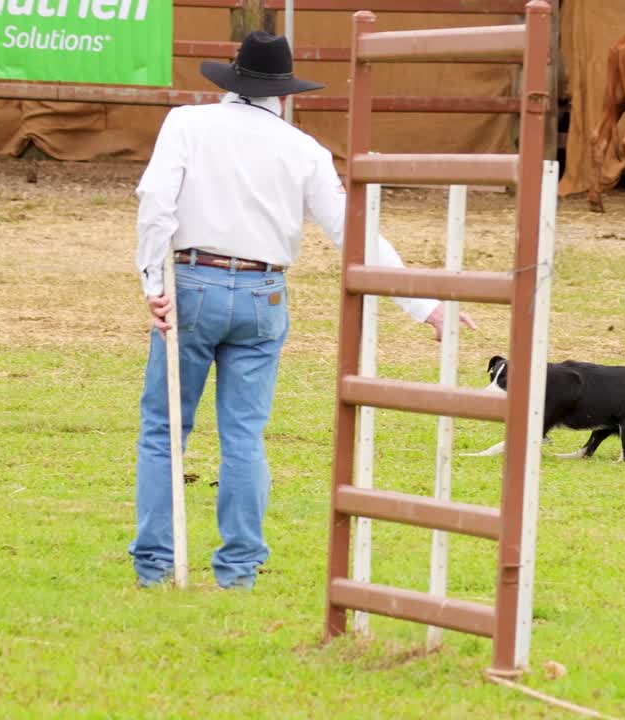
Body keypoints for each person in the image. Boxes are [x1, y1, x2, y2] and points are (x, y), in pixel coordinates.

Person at [128, 31, 475, 589]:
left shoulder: (187, 124)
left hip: (190, 280)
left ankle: (154, 563)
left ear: (230, 80)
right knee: (243, 434)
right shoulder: (304, 149)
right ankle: (238, 568)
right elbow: (352, 231)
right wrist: (425, 304)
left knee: (165, 429)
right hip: (263, 292)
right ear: (283, 93)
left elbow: (156, 203)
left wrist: (152, 278)